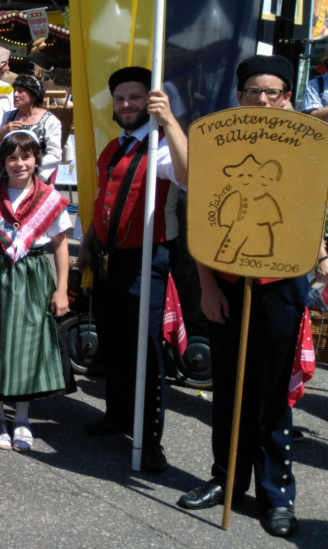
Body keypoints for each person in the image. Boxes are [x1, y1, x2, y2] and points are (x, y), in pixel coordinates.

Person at [177, 55, 313, 539]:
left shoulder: (308, 148)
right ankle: (227, 480)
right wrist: (208, 287)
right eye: (254, 91)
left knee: (271, 393)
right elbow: (202, 220)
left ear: (286, 97)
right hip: (227, 284)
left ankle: (276, 493)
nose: (263, 99)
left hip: (281, 285)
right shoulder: (219, 146)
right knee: (230, 388)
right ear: (239, 97)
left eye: (273, 92)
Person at [74, 66, 188, 473]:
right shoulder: (113, 147)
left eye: (135, 97)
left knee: (146, 349)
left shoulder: (161, 146)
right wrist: (89, 242)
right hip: (109, 257)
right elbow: (103, 200)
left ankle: (149, 439)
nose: (126, 105)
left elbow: (190, 177)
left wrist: (170, 121)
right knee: (114, 341)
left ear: (151, 101)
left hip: (147, 257)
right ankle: (118, 416)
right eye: (120, 98)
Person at [0, 131, 72, 452]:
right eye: (12, 157)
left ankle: (23, 419)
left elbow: (61, 245)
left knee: (28, 344)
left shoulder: (50, 198)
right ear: (2, 161)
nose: (19, 163)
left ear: (36, 159)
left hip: (33, 276)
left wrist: (62, 289)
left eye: (25, 156)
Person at [0, 74, 63, 183]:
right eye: (14, 90)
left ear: (33, 96)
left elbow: (55, 154)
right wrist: (2, 131)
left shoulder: (50, 120)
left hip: (34, 179)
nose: (15, 94)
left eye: (20, 91)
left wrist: (29, 166)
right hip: (6, 179)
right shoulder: (8, 116)